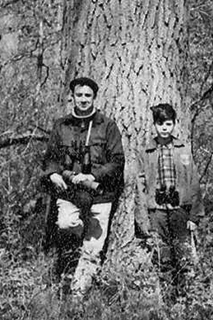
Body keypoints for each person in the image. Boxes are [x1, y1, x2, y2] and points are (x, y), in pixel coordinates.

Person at [41, 77, 125, 297]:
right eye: (80, 95)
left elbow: (117, 161)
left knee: (93, 249)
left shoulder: (107, 125)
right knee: (67, 224)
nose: (83, 99)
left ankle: (77, 297)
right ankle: (67, 265)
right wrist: (53, 174)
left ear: (94, 98)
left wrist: (92, 175)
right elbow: (50, 157)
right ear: (73, 97)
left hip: (100, 194)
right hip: (69, 193)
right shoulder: (61, 125)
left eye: (88, 95)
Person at [136, 103, 205, 301]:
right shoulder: (147, 151)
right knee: (162, 255)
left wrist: (194, 215)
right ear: (154, 125)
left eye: (168, 123)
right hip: (157, 211)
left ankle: (187, 298)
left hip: (180, 209)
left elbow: (194, 181)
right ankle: (167, 300)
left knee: (183, 255)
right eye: (160, 123)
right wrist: (144, 217)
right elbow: (140, 186)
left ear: (174, 124)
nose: (164, 128)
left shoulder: (183, 149)